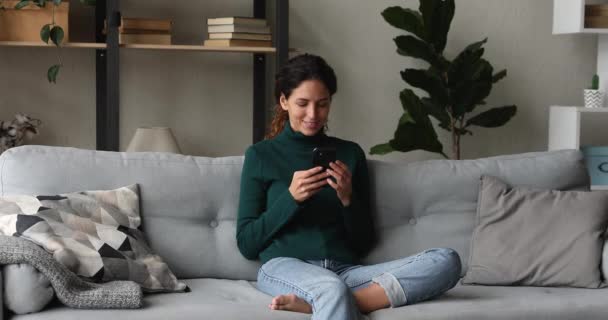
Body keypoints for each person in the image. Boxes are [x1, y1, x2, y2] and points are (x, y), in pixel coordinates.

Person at [236, 53, 461, 320]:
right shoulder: (261, 156)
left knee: (446, 260)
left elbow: (364, 243)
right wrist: (291, 198)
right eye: (302, 103)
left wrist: (347, 199)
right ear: (284, 101)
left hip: (345, 272)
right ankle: (331, 298)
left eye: (322, 104)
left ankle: (326, 303)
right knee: (330, 288)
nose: (313, 114)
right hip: (286, 266)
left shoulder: (350, 154)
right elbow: (247, 243)